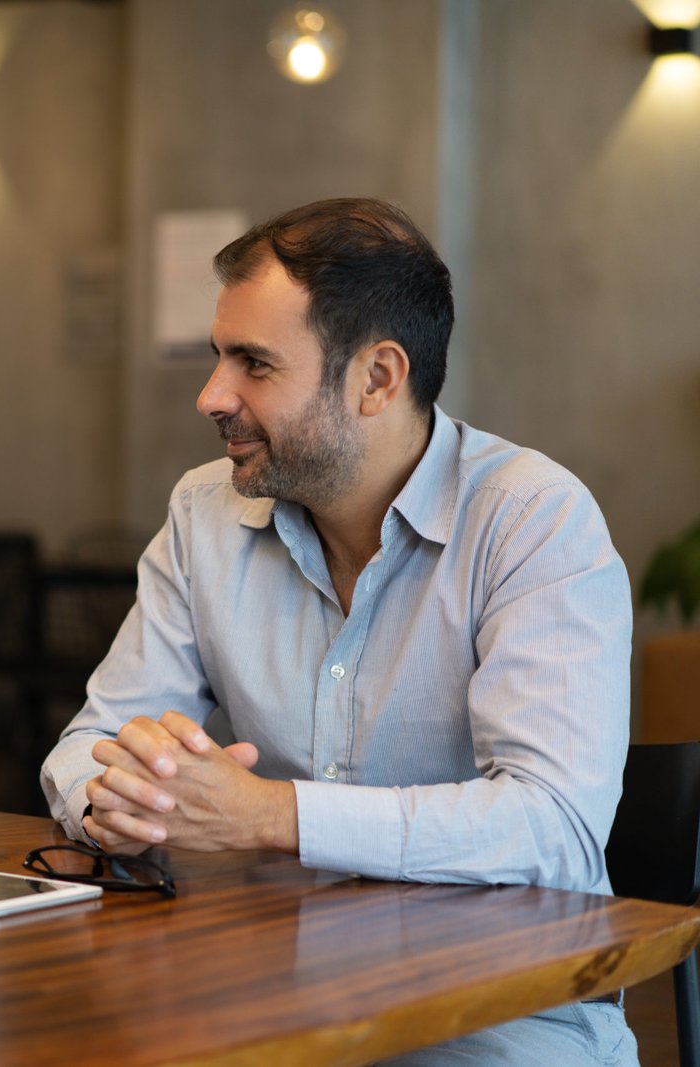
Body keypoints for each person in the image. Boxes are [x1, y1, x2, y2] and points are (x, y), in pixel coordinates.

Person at [40, 198, 636, 1062]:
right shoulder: (203, 513)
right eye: (218, 356)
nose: (212, 395)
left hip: (500, 1007)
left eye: (254, 363)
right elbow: (88, 743)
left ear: (378, 378)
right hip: (261, 987)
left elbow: (554, 824)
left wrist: (272, 815)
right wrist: (118, 802)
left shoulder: (534, 521)